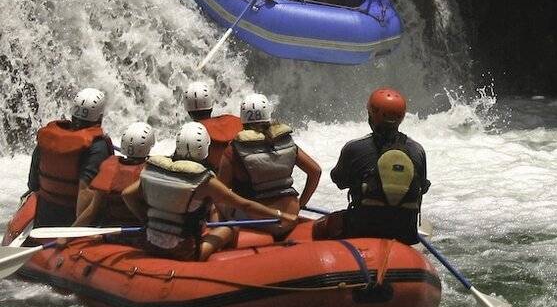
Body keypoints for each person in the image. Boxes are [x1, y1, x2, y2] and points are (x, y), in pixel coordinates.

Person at [121, 122, 287, 261]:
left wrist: (146, 219)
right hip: (182, 252)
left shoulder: (153, 170)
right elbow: (245, 205)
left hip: (150, 244)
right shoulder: (204, 180)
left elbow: (127, 194)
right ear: (205, 149)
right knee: (229, 228)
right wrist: (280, 215)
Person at [312, 88, 430, 245]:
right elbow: (423, 186)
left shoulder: (354, 148)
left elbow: (339, 181)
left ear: (371, 115)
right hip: (404, 231)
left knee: (319, 228)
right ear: (401, 117)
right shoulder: (417, 150)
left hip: (362, 229)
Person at [218, 93, 321, 240]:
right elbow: (315, 171)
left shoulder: (234, 149)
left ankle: (216, 242)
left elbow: (220, 192)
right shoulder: (285, 141)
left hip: (261, 221)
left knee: (216, 201)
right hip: (291, 215)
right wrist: (301, 203)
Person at [26, 88, 114, 227]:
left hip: (44, 218)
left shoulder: (48, 138)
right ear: (100, 117)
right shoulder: (97, 147)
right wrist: (72, 235)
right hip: (72, 223)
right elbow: (86, 193)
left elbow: (33, 184)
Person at [71, 122, 154, 232]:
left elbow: (92, 209)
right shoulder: (151, 171)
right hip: (138, 231)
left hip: (109, 230)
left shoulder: (109, 167)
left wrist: (69, 234)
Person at [183, 81, 242, 172]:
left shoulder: (189, 135)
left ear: (188, 111)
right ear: (211, 107)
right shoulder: (235, 121)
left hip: (217, 179)